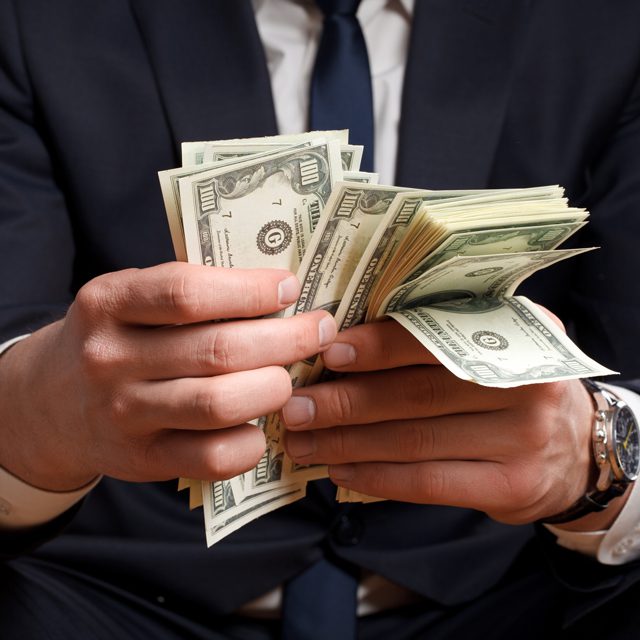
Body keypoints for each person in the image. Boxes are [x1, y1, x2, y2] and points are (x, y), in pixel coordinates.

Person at [1, 1, 640, 638]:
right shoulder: (36, 23)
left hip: (508, 590)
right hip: (106, 593)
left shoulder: (604, 29)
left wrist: (593, 458)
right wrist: (39, 412)